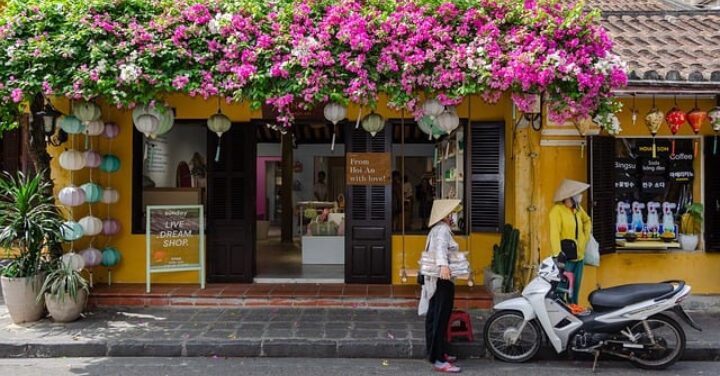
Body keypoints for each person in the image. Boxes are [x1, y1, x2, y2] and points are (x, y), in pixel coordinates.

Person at [420, 199, 462, 373]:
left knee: (433, 316)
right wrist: (444, 266)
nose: (455, 216)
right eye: (452, 213)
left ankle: (436, 353)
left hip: (434, 277)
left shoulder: (436, 229)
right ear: (446, 215)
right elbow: (440, 250)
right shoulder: (443, 230)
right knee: (440, 317)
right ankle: (438, 359)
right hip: (442, 278)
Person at [549, 179, 592, 305]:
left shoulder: (578, 209)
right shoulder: (557, 211)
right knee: (562, 287)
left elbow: (587, 220)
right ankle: (560, 311)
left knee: (575, 287)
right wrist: (558, 255)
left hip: (579, 256)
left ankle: (574, 308)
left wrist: (586, 235)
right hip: (566, 257)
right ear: (569, 197)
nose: (579, 197)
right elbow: (554, 233)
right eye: (577, 194)